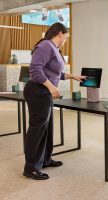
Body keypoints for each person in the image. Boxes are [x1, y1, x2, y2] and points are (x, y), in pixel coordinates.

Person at [23, 22, 86, 180]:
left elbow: (54, 72)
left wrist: (73, 76)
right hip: (37, 91)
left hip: (44, 91)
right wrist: (51, 87)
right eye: (66, 36)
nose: (66, 39)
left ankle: (44, 159)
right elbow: (35, 69)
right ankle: (30, 167)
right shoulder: (46, 46)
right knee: (37, 129)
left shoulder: (54, 48)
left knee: (47, 128)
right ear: (59, 33)